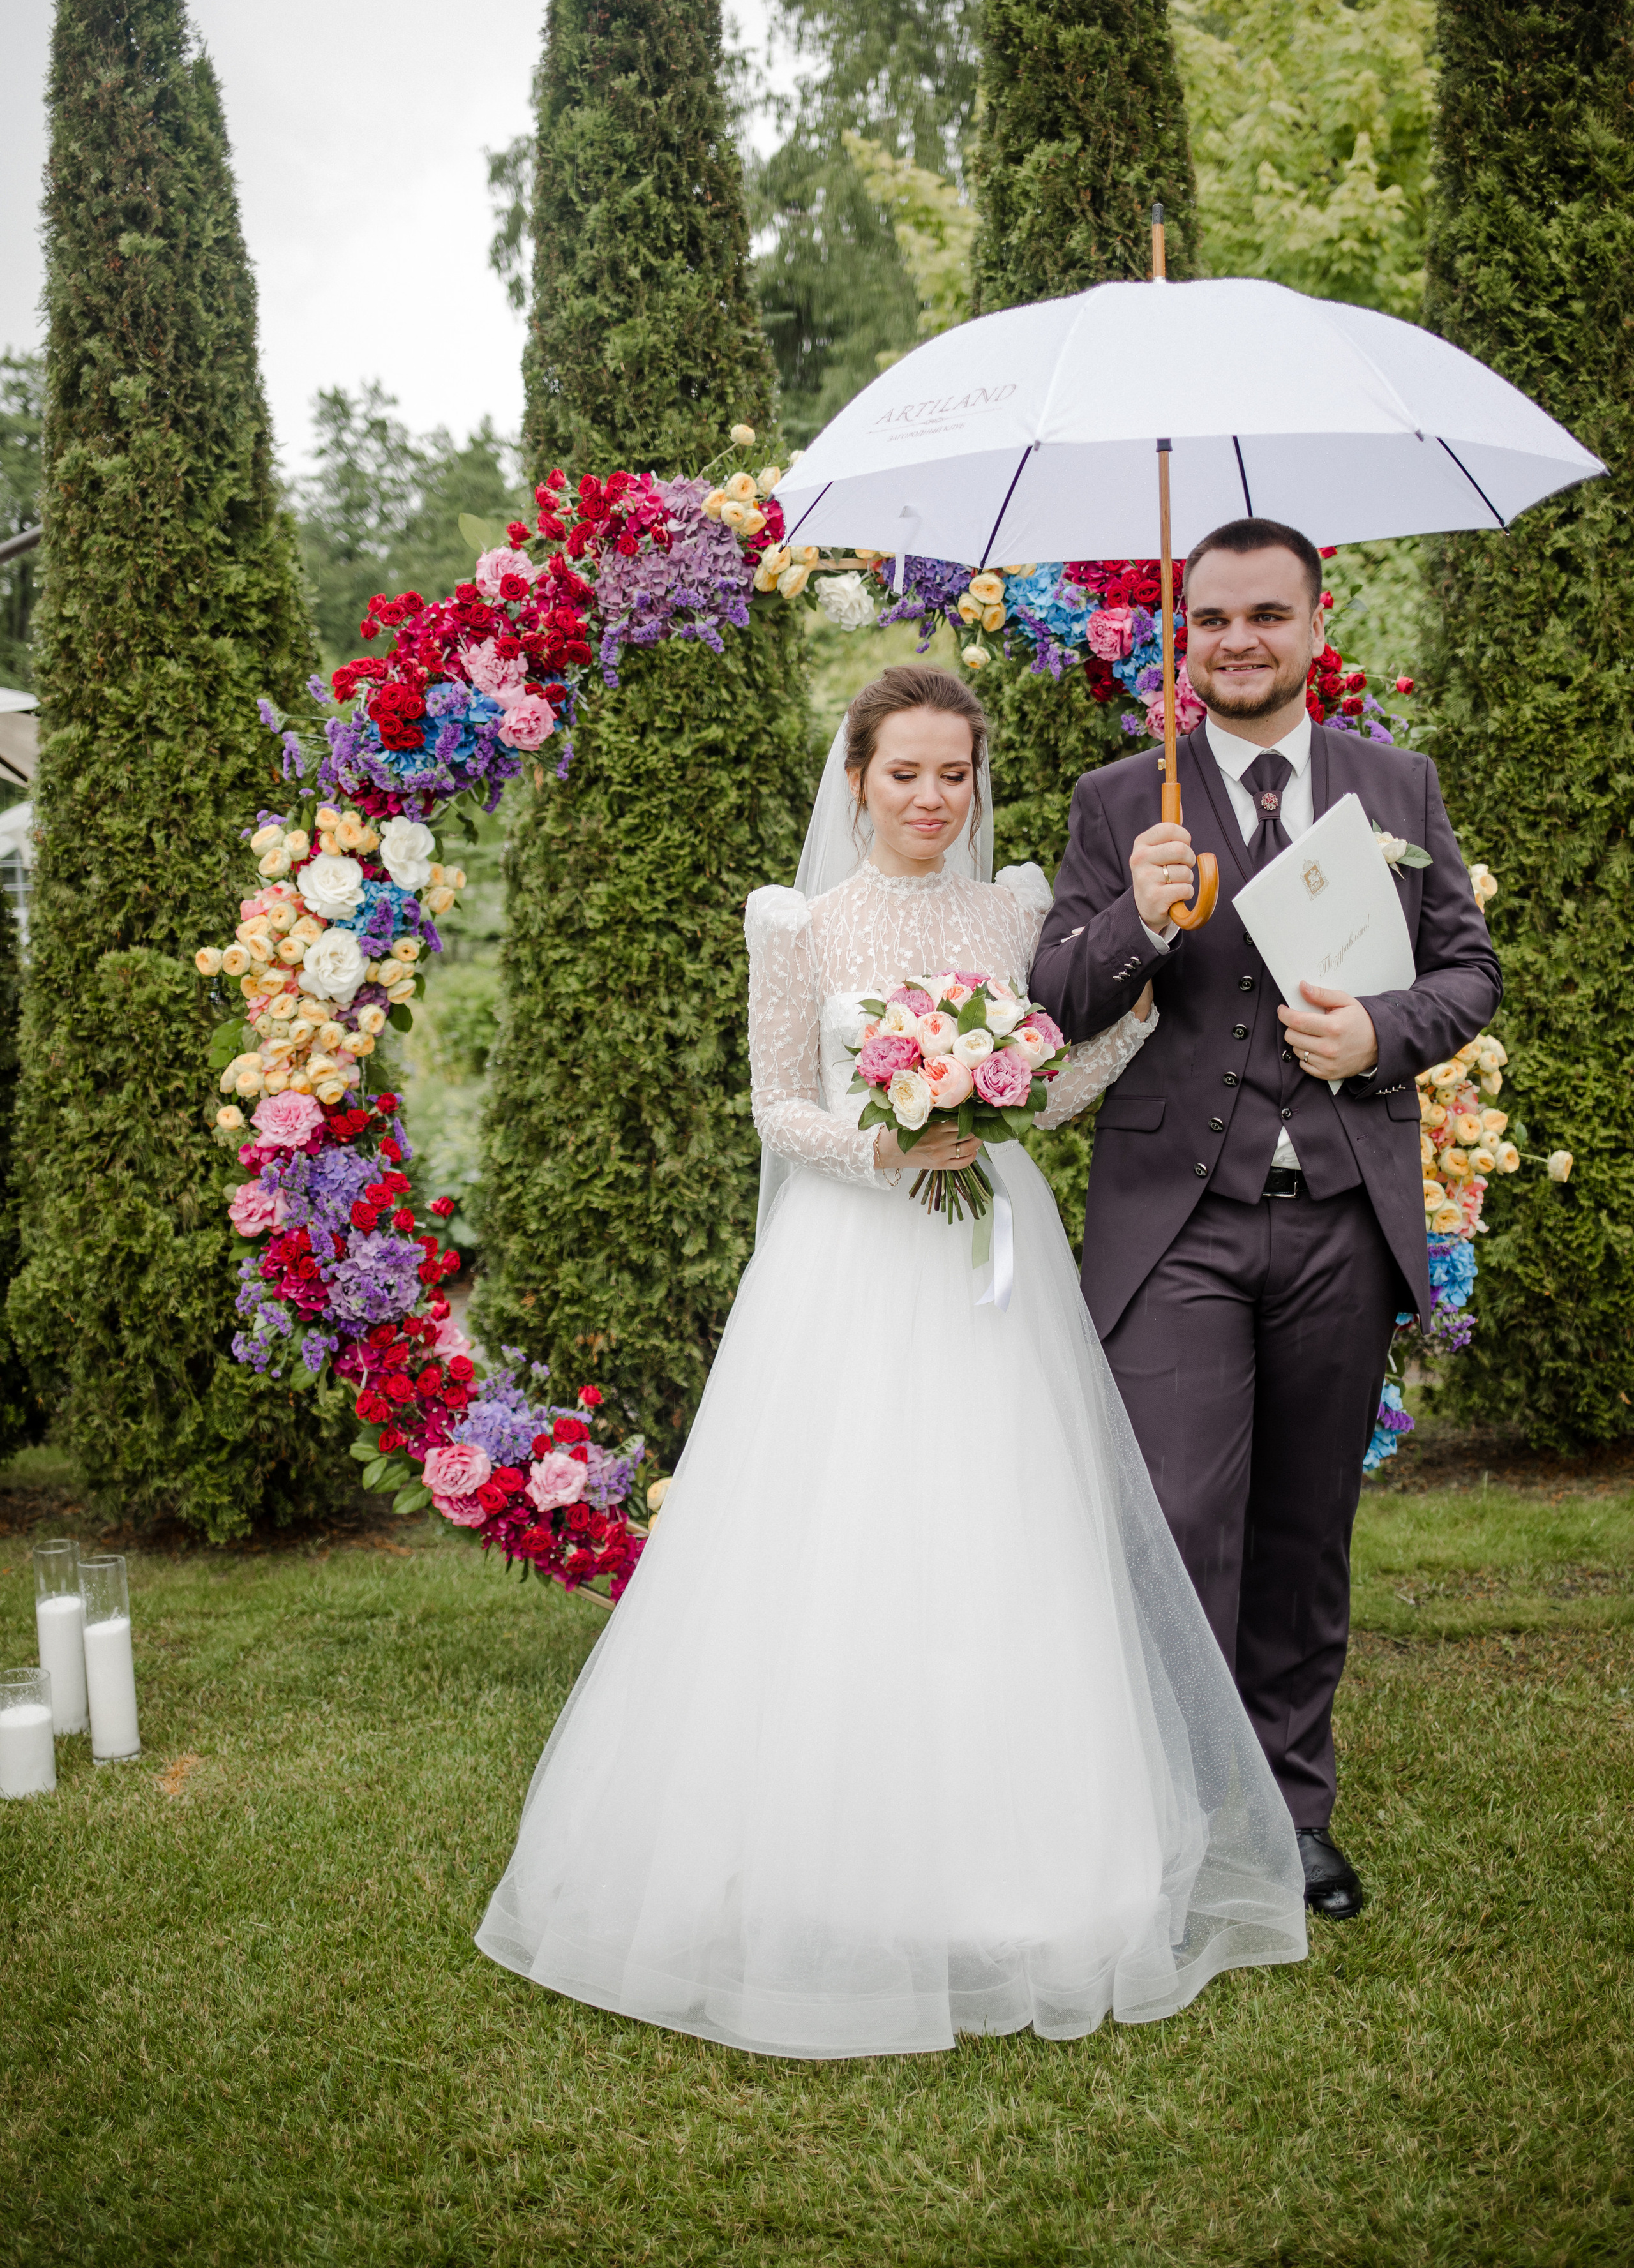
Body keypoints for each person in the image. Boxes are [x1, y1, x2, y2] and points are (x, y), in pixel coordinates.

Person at [476, 661, 1306, 2058]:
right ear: (855, 775)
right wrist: (886, 1143)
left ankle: (1034, 1868)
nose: (932, 797)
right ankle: (830, 1863)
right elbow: (776, 1108)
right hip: (854, 1261)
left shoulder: (1018, 906)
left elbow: (1055, 1066)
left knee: (1006, 1532)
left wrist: (1106, 1024)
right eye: (904, 771)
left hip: (993, 1261)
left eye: (954, 772)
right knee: (844, 1538)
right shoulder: (798, 923)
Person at [1030, 518, 1503, 1921]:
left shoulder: (1391, 784)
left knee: (1302, 1535)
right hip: (1175, 1224)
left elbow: (1464, 972)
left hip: (1339, 1218)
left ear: (1313, 624)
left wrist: (1380, 1032)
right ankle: (1181, 1815)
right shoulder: (1122, 799)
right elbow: (1053, 998)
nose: (1237, 641)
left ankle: (1290, 1815)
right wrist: (1137, 918)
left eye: (1265, 616)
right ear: (1183, 630)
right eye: (1211, 617)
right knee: (1177, 1519)